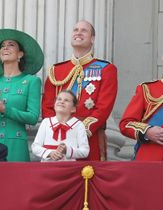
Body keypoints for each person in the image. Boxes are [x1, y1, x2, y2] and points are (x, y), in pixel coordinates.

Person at [42, 20, 117, 161]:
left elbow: (104, 107)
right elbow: (47, 106)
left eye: (84, 30)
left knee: (87, 179)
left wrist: (80, 131)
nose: (78, 32)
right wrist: (56, 128)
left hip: (89, 137)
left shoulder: (106, 69)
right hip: (57, 137)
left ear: (92, 39)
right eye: (76, 29)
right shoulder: (56, 70)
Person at [0, 29, 43, 162]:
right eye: (2, 46)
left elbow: (33, 117)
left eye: (11, 45)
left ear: (20, 54)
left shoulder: (32, 81)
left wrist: (5, 109)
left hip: (16, 145)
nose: (5, 48)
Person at [32, 90, 89, 162]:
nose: (61, 102)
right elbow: (35, 147)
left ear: (73, 109)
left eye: (66, 100)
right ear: (54, 104)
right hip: (47, 167)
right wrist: (50, 153)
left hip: (68, 168)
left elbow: (85, 151)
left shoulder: (78, 125)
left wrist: (67, 150)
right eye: (59, 99)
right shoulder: (46, 122)